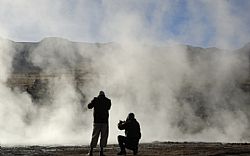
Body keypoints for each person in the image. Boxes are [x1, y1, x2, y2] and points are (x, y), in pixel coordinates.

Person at [87, 91, 111, 156]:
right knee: (103, 136)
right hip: (105, 122)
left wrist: (93, 101)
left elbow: (89, 106)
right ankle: (101, 152)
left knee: (94, 136)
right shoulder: (108, 101)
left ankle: (91, 152)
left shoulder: (95, 100)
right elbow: (108, 108)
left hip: (97, 121)